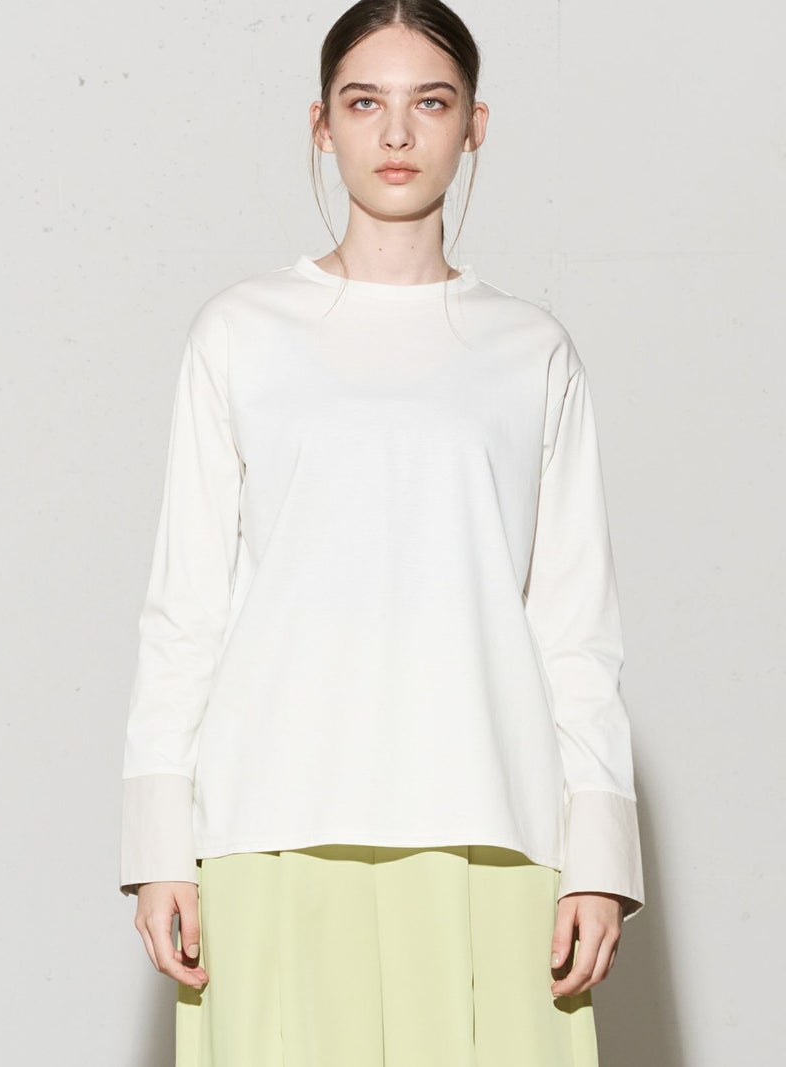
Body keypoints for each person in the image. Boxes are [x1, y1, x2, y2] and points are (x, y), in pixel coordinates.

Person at [119, 1, 645, 1064]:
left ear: (474, 126)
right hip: (270, 817)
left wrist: (599, 855)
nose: (397, 133)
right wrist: (158, 840)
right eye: (364, 103)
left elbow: (573, 625)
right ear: (321, 125)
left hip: (489, 821)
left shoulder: (530, 350)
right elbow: (187, 606)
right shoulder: (239, 332)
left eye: (430, 103)